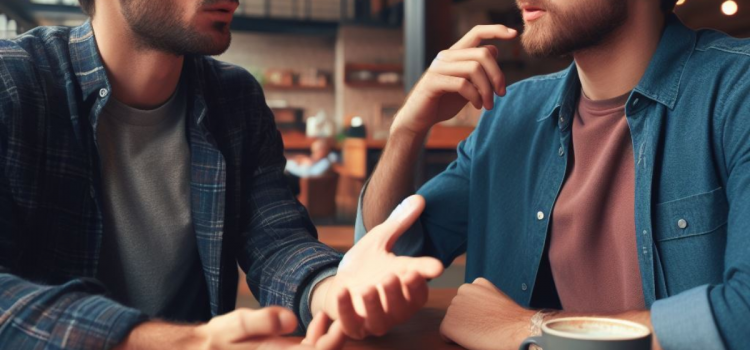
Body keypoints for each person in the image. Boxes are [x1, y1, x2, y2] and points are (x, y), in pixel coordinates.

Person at [0, 0, 445, 349]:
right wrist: (181, 343)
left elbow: (276, 240)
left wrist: (332, 289)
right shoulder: (15, 85)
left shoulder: (234, 96)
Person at [356, 0, 750, 349]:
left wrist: (528, 328)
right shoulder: (511, 114)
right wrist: (406, 129)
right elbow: (384, 260)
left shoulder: (736, 93)